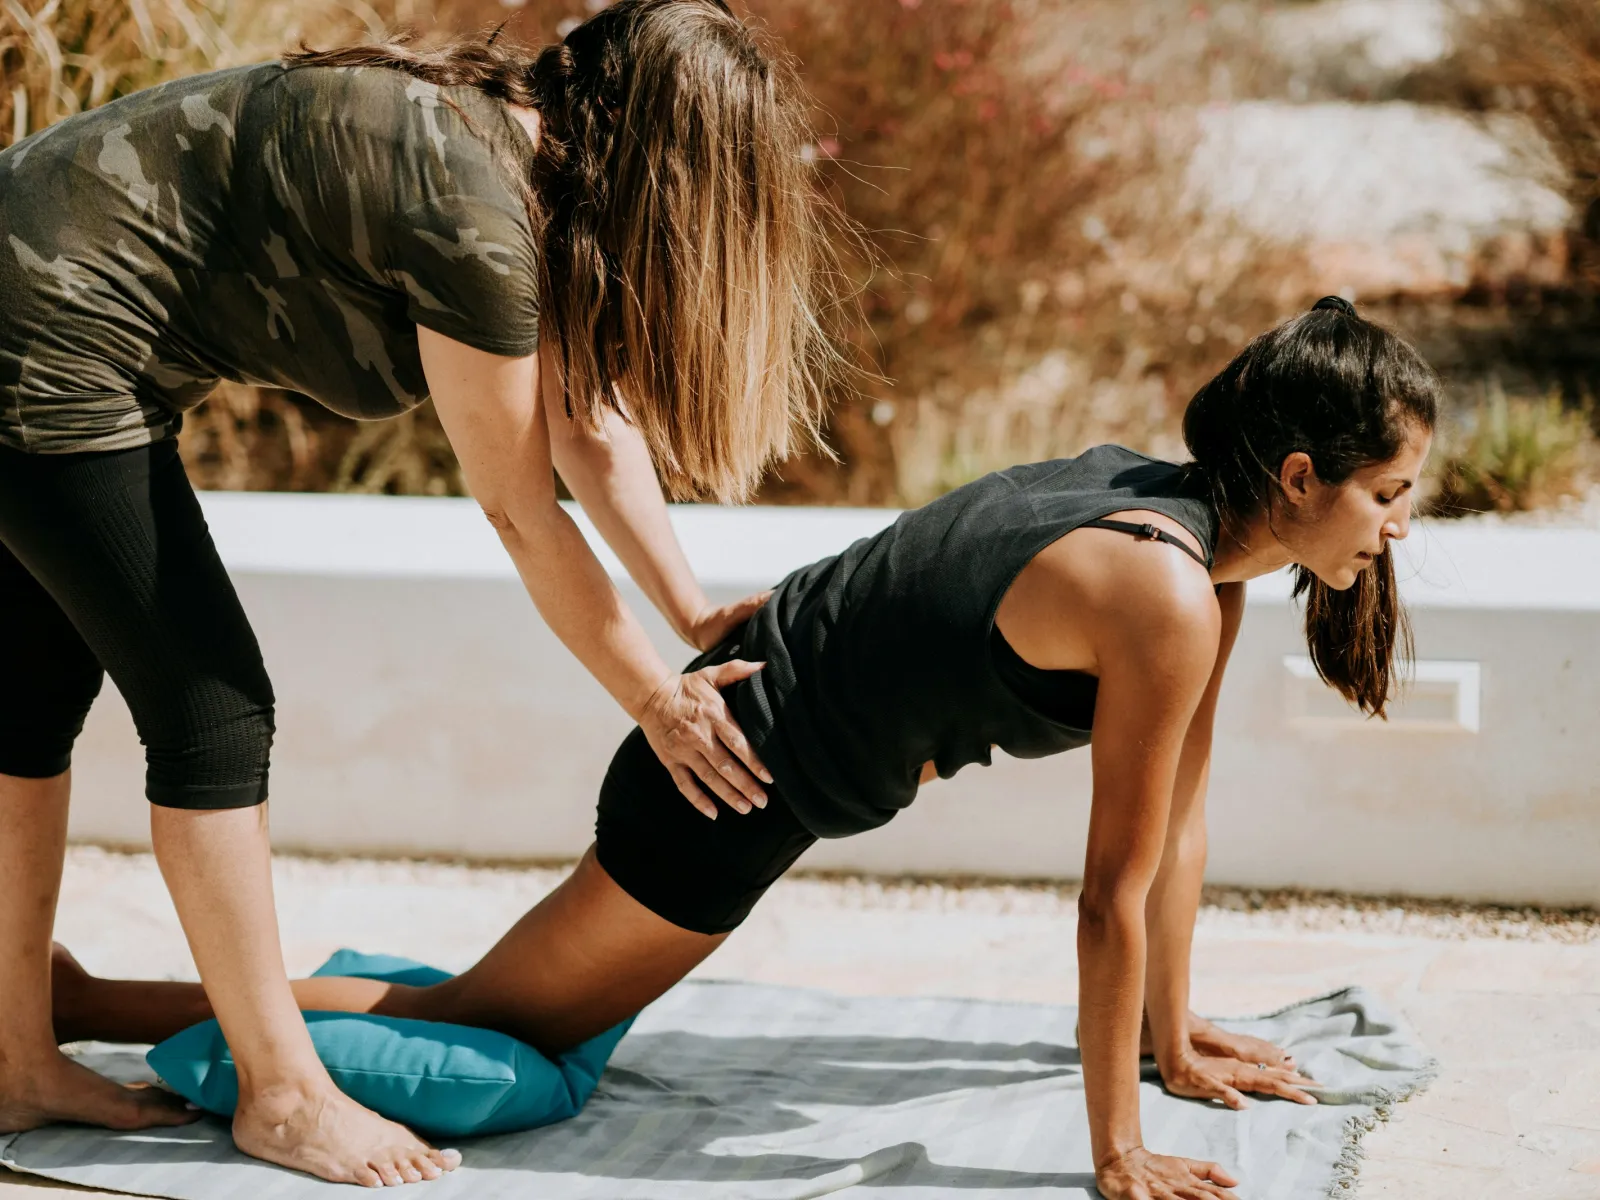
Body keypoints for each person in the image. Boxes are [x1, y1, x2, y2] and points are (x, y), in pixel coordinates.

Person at [49, 298, 1441, 1200]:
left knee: (504, 1013)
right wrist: (1117, 1150)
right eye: (1386, 495)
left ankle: (94, 998)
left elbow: (1177, 833)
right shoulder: (1164, 593)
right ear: (1300, 478)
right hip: (723, 780)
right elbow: (1108, 895)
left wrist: (1171, 1041)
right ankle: (92, 1006)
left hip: (753, 747)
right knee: (490, 1031)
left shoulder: (1200, 551)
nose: (1394, 529)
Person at [0, 0, 850, 1187]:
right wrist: (658, 700)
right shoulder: (476, 215)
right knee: (212, 708)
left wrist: (694, 617)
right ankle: (285, 1096)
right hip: (40, 325)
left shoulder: (522, 160)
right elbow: (516, 507)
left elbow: (586, 428)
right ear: (666, 160)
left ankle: (14, 1053)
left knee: (30, 697)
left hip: (45, 304)